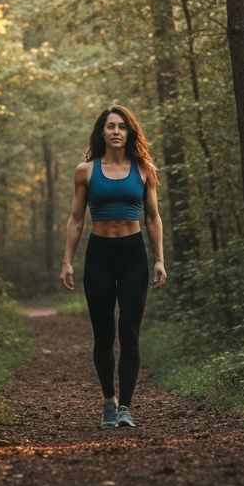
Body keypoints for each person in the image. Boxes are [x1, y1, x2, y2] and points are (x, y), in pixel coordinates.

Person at [59, 104, 167, 429]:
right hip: (99, 257)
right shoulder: (86, 171)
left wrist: (159, 258)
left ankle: (126, 408)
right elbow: (77, 219)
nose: (116, 131)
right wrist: (67, 261)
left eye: (121, 126)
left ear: (129, 131)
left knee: (130, 333)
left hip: (133, 256)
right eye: (110, 126)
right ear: (102, 132)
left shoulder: (145, 169)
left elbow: (152, 218)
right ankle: (109, 401)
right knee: (104, 335)